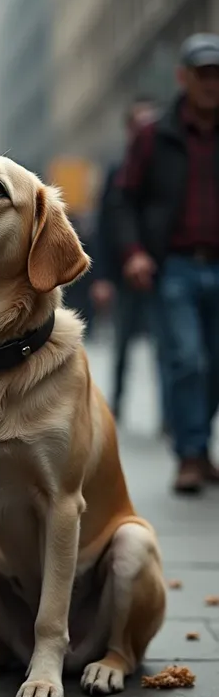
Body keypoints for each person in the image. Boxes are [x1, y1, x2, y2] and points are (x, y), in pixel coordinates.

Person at [113, 34, 219, 494]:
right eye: (203, 75)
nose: (212, 84)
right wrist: (134, 252)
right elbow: (123, 200)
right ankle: (190, 454)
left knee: (214, 364)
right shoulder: (154, 135)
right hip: (172, 266)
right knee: (187, 360)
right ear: (184, 78)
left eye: (218, 75)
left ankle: (200, 446)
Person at [90, 97, 170, 430]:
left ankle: (169, 414)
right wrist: (104, 277)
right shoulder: (117, 171)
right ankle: (118, 401)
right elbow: (107, 226)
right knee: (122, 340)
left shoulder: (171, 164)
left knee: (167, 345)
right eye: (140, 122)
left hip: (164, 271)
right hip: (125, 273)